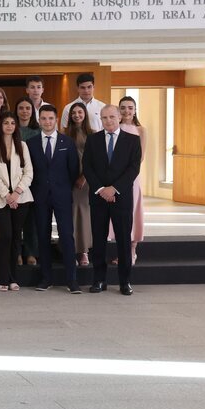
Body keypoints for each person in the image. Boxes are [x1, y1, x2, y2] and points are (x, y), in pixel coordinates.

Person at [83, 105, 142, 295]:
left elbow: (133, 169)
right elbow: (87, 167)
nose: (108, 121)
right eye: (104, 117)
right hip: (99, 197)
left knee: (124, 240)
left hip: (121, 197)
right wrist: (101, 189)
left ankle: (125, 282)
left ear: (119, 117)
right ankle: (99, 280)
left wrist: (114, 189)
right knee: (99, 240)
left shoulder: (132, 140)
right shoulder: (93, 140)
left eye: (111, 117)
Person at [26, 105, 80, 293]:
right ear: (39, 120)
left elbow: (73, 170)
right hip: (40, 196)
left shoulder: (67, 142)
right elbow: (29, 171)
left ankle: (72, 280)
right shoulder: (31, 143)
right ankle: (45, 278)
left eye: (50, 118)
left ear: (56, 120)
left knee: (66, 235)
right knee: (42, 236)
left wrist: (62, 187)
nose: (47, 122)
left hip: (62, 195)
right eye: (43, 118)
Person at [0, 111, 34, 291]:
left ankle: (13, 278)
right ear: (0, 125)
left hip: (21, 198)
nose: (9, 126)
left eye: (12, 123)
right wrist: (7, 195)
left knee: (16, 237)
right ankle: (2, 278)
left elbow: (28, 172)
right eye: (5, 122)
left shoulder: (22, 145)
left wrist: (17, 193)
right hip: (1, 200)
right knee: (5, 236)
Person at [113, 96, 147, 266]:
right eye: (123, 107)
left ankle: (132, 250)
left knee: (131, 211)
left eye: (130, 107)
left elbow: (140, 158)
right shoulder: (115, 128)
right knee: (118, 213)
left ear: (135, 110)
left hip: (131, 177)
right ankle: (121, 250)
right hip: (114, 177)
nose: (127, 111)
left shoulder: (140, 130)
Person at [65, 102, 93, 265]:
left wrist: (84, 177)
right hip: (69, 179)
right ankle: (70, 249)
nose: (76, 115)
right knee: (70, 214)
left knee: (84, 214)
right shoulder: (65, 133)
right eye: (73, 112)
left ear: (85, 114)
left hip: (85, 181)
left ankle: (84, 251)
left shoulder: (93, 133)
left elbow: (95, 159)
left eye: (80, 112)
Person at [14, 96, 40, 265]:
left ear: (32, 111)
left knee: (32, 218)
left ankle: (31, 252)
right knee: (15, 219)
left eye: (28, 108)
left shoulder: (38, 131)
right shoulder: (11, 129)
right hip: (14, 178)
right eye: (21, 108)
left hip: (34, 177)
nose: (24, 111)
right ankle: (16, 252)